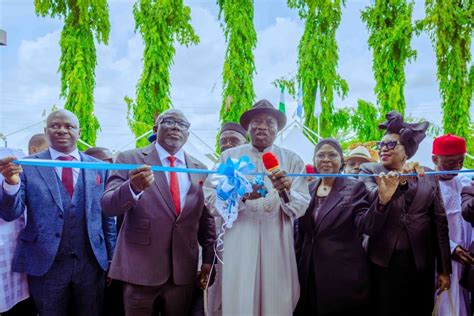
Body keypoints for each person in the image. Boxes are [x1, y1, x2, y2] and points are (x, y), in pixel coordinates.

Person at [0, 109, 116, 316]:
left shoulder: (99, 167)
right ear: (46, 131)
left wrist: (111, 258)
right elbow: (11, 213)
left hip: (90, 262)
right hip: (45, 264)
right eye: (55, 126)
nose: (62, 130)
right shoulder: (28, 165)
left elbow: (107, 217)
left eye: (69, 126)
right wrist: (10, 183)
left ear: (79, 132)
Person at [101, 109, 216, 316]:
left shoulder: (200, 168)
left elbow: (206, 219)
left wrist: (208, 259)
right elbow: (108, 205)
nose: (175, 127)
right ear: (155, 128)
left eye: (182, 124)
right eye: (168, 121)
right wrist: (132, 187)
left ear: (188, 135)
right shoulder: (130, 158)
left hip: (183, 271)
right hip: (140, 270)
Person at [204, 99, 311, 316]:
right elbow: (210, 198)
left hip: (277, 239)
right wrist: (241, 196)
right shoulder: (228, 157)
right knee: (239, 296)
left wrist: (285, 191)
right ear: (248, 127)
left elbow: (301, 206)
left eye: (269, 122)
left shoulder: (291, 160)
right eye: (257, 122)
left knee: (277, 296)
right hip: (240, 238)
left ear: (278, 129)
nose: (263, 127)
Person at [359, 111, 451, 316]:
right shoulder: (369, 170)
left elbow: (439, 221)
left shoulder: (427, 174)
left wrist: (444, 268)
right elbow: (372, 196)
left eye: (391, 145)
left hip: (421, 261)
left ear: (407, 151)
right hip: (382, 259)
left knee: (419, 309)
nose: (383, 149)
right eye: (380, 145)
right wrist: (398, 183)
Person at [295, 138, 373, 315]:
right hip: (309, 271)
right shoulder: (308, 188)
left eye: (332, 155)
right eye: (320, 155)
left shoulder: (354, 187)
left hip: (342, 272)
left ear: (341, 161)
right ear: (314, 161)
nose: (326, 159)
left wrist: (382, 202)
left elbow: (365, 224)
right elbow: (301, 230)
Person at [206, 121, 247, 316]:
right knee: (217, 293)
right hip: (218, 245)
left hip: (247, 241)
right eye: (224, 141)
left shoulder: (253, 169)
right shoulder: (214, 172)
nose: (228, 145)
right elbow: (209, 204)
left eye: (234, 140)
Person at [431, 134, 473, 316]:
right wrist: (451, 248)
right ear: (435, 159)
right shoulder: (425, 185)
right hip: (441, 260)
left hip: (468, 259)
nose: (457, 167)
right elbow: (425, 226)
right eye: (450, 162)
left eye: (461, 161)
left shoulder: (466, 181)